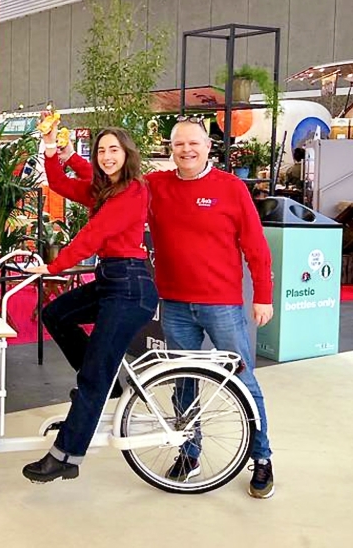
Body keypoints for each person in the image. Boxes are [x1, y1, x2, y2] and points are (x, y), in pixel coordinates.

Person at [65, 118, 276, 499]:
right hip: (175, 302)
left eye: (193, 144)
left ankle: (261, 457)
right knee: (184, 384)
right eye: (179, 145)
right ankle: (189, 453)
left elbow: (256, 246)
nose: (186, 151)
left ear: (209, 146)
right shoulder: (154, 186)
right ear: (171, 148)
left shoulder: (231, 189)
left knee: (242, 380)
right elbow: (110, 181)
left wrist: (263, 294)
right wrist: (75, 160)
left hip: (223, 303)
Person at [21, 121, 158, 483]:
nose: (108, 156)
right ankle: (107, 383)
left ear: (128, 154)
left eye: (114, 150)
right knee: (56, 314)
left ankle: (66, 455)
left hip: (131, 287)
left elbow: (92, 235)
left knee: (93, 377)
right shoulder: (107, 190)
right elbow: (62, 183)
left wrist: (51, 267)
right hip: (110, 281)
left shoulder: (132, 192)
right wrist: (52, 150)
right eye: (101, 150)